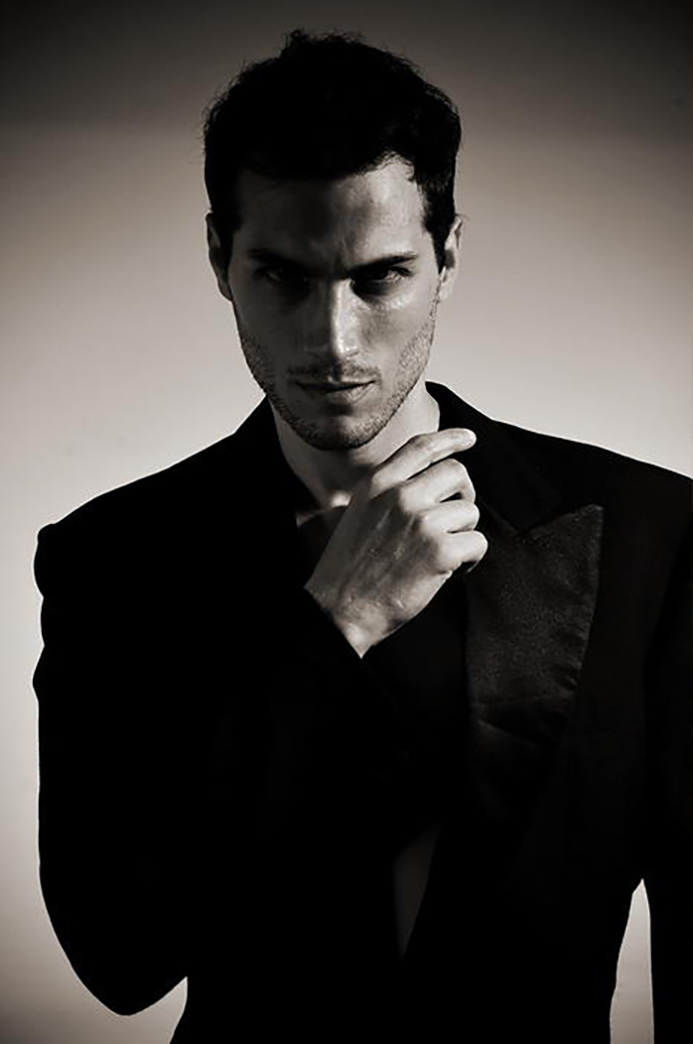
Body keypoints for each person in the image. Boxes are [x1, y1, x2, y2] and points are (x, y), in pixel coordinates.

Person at [33, 29, 691, 1044]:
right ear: (219, 258)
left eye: (379, 278)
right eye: (284, 278)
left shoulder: (650, 534)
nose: (331, 341)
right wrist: (334, 625)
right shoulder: (115, 560)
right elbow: (119, 953)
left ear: (448, 258)